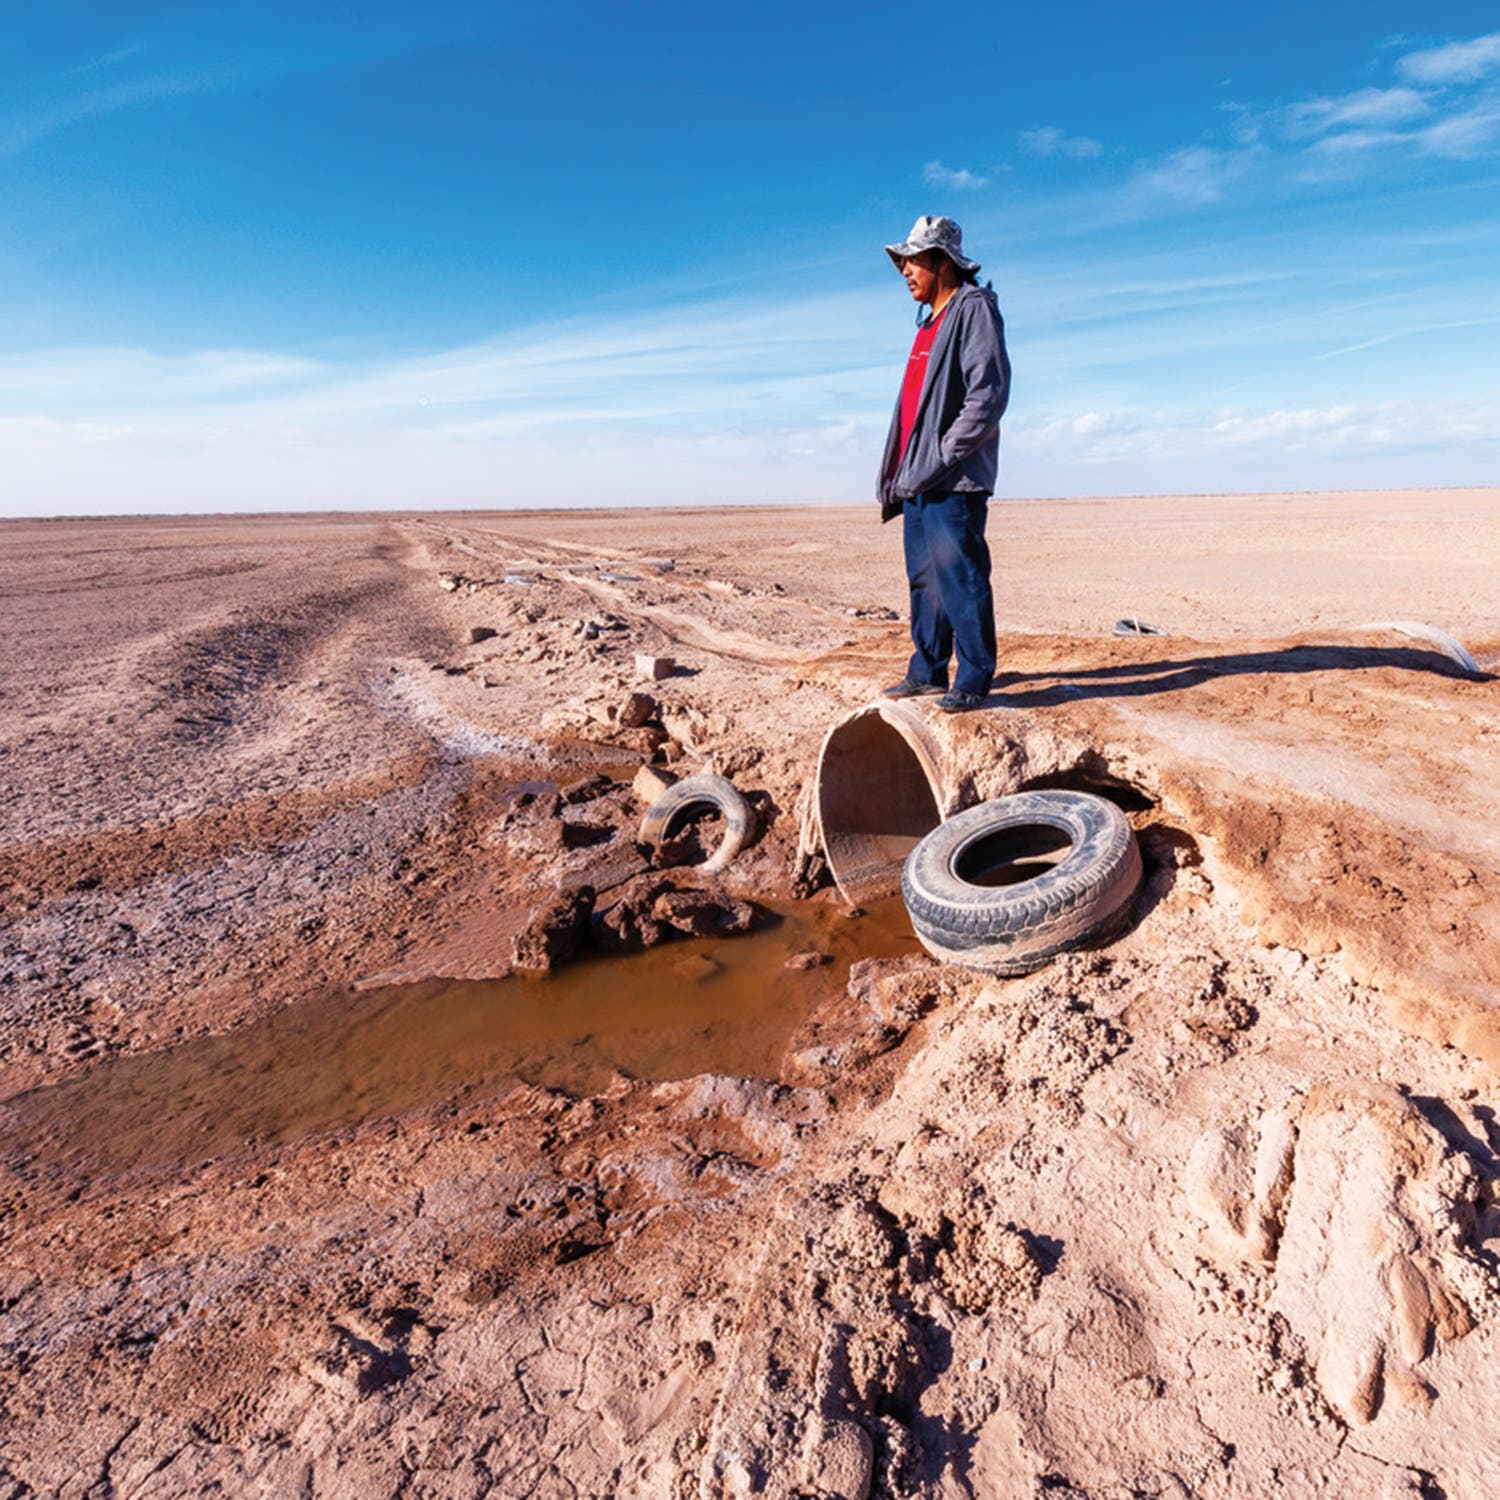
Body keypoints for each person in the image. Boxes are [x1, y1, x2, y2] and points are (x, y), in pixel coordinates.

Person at [877, 215, 1010, 714]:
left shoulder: (973, 310)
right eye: (903, 264)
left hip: (954, 481)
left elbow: (987, 396)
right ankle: (928, 671)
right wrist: (905, 470)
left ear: (942, 261)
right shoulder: (928, 322)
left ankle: (974, 677)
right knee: (925, 579)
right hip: (918, 478)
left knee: (961, 576)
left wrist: (943, 455)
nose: (906, 272)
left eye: (913, 261)